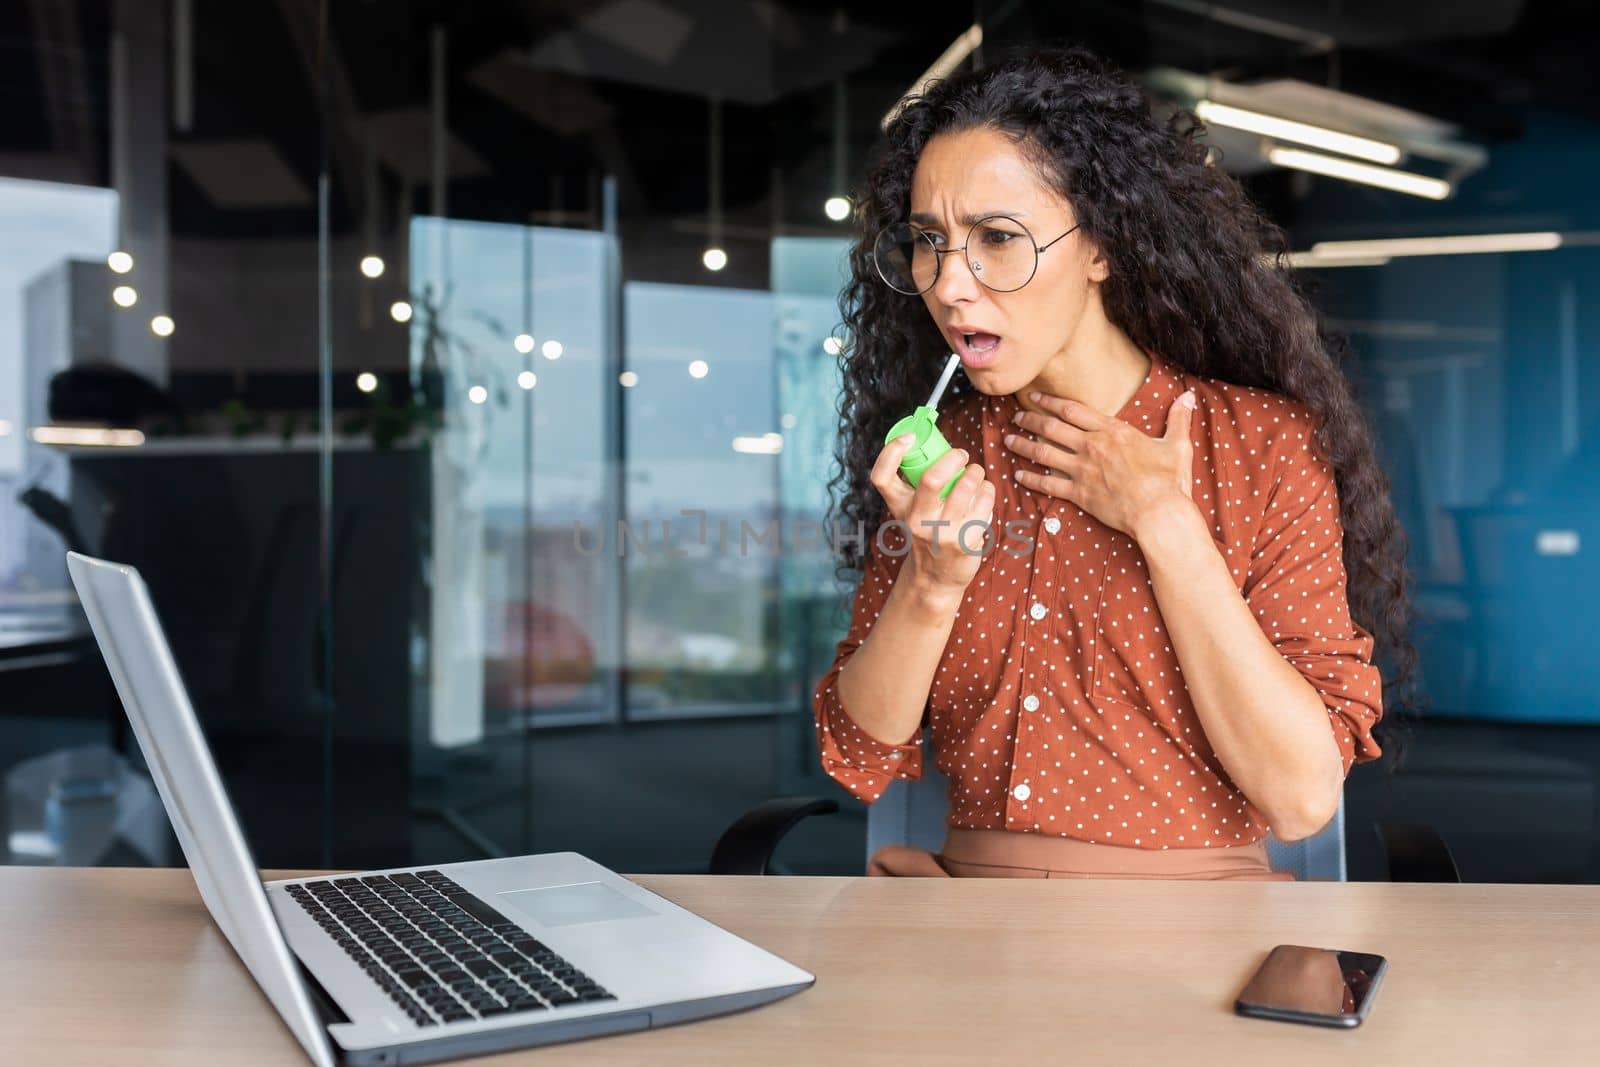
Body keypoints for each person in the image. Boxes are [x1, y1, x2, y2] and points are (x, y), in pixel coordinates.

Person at [813, 43, 1415, 881]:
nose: (950, 284)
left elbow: (1301, 798)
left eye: (996, 237)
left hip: (1199, 935)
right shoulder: (937, 456)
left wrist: (1165, 521)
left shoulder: (1262, 445)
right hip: (963, 930)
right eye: (929, 241)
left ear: (1100, 247)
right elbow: (858, 755)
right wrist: (930, 581)